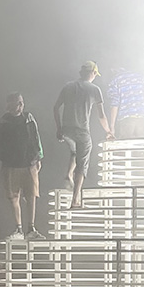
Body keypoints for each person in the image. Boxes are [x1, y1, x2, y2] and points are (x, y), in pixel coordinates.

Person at [54, 61, 114, 209]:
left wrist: (59, 128)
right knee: (83, 164)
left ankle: (68, 174)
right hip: (82, 130)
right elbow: (101, 116)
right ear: (93, 73)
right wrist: (108, 131)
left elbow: (55, 107)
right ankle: (75, 200)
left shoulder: (68, 86)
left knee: (74, 151)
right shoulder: (94, 89)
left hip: (67, 130)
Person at [0, 92, 45, 240]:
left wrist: (39, 156)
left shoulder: (28, 118)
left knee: (31, 195)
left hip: (29, 163)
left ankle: (31, 228)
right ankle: (18, 228)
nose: (21, 105)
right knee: (14, 197)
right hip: (11, 165)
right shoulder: (3, 122)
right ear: (10, 105)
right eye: (17, 102)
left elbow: (36, 137)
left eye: (22, 102)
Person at [107, 67, 144, 138]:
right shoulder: (141, 77)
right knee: (141, 146)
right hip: (141, 119)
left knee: (127, 146)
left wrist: (112, 126)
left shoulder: (116, 80)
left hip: (126, 120)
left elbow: (114, 104)